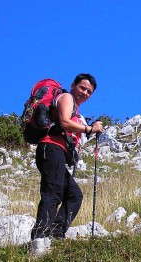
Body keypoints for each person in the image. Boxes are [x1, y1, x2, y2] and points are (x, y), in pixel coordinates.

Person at [31, 73, 104, 240]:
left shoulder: (75, 109)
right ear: (73, 85)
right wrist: (90, 129)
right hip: (51, 148)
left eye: (89, 92)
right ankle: (39, 238)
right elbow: (64, 122)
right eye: (82, 88)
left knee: (74, 195)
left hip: (56, 152)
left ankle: (56, 234)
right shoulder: (66, 97)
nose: (85, 93)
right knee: (52, 193)